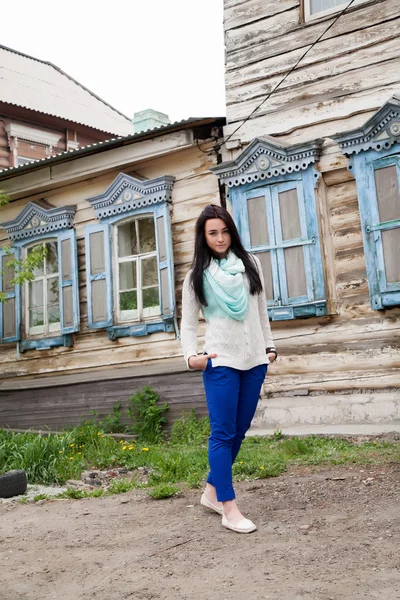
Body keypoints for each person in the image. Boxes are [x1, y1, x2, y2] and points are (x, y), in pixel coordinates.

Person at [180, 204, 277, 534]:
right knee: (222, 433)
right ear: (203, 237)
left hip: (254, 360)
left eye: (224, 231)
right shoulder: (196, 276)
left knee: (239, 430)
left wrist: (269, 346)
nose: (220, 238)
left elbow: (261, 309)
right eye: (212, 233)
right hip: (220, 361)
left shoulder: (252, 264)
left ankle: (211, 493)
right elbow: (188, 325)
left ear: (231, 231)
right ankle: (229, 508)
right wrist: (191, 356)